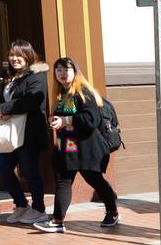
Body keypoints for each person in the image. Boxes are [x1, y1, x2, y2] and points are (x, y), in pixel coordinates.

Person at [34, 57, 120, 233]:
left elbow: (91, 120)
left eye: (66, 69)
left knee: (94, 180)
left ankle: (113, 211)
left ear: (75, 72)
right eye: (58, 70)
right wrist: (54, 120)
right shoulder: (61, 94)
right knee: (62, 182)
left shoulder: (82, 93)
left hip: (86, 147)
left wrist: (66, 120)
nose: (62, 73)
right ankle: (58, 221)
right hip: (66, 148)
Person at [0, 41, 50, 223]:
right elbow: (1, 101)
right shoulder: (10, 76)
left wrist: (6, 108)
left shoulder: (37, 74)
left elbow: (33, 101)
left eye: (19, 55)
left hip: (29, 132)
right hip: (10, 132)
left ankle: (39, 209)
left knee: (30, 171)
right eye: (11, 55)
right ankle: (21, 205)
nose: (14, 59)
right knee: (3, 169)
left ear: (28, 55)